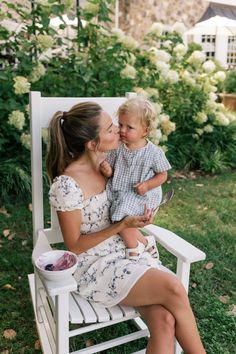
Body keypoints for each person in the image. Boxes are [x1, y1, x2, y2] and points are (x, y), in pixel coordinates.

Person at [46, 100, 206, 354]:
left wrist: (138, 217)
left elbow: (142, 184)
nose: (118, 131)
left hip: (127, 252)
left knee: (165, 321)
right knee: (174, 288)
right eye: (111, 128)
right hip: (95, 267)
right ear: (92, 143)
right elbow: (74, 246)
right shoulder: (67, 185)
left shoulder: (114, 163)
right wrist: (121, 225)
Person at [100, 97, 171, 260]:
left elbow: (163, 175)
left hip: (142, 196)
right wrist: (107, 170)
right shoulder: (117, 148)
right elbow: (111, 171)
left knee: (121, 215)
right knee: (119, 216)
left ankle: (133, 248)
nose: (122, 130)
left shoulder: (153, 153)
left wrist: (147, 185)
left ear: (145, 131)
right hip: (120, 191)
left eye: (129, 127)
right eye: (121, 124)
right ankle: (145, 243)